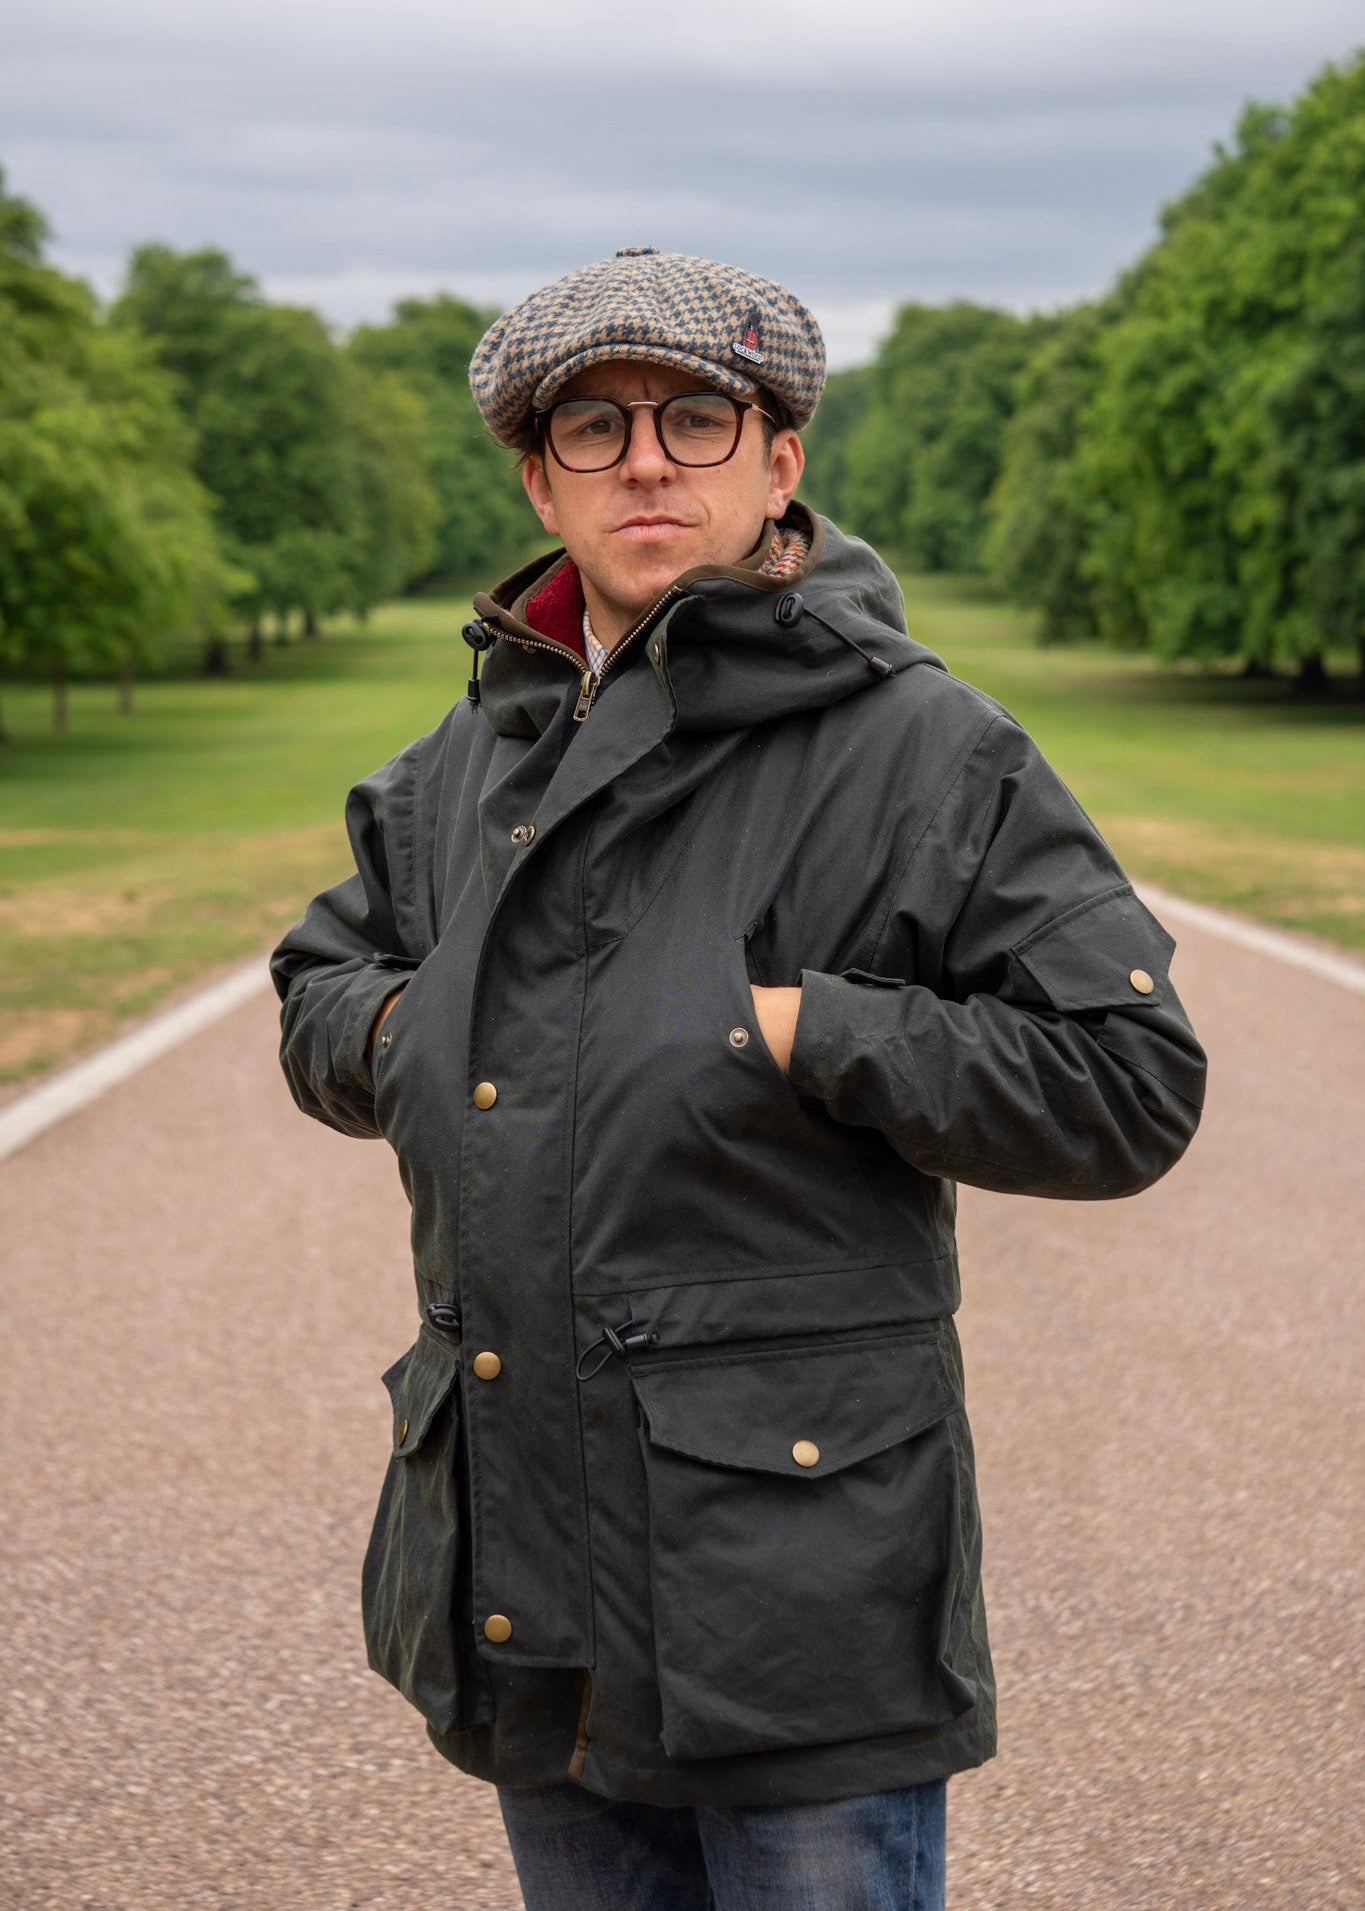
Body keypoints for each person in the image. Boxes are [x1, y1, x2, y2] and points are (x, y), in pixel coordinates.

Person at [271, 246, 1206, 1910]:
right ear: (537, 478)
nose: (643, 458)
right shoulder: (461, 764)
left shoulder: (927, 747)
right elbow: (318, 982)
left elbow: (1127, 1079)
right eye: (592, 424)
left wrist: (795, 1032)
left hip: (798, 1591)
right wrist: (411, 1040)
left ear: (778, 460)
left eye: (695, 416)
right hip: (524, 1574)